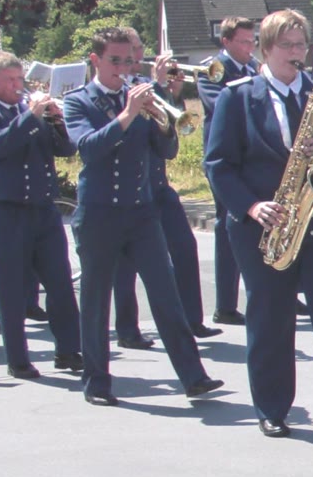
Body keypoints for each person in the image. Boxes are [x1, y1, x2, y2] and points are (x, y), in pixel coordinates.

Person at [204, 8, 313, 439]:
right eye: (286, 45)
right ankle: (272, 408)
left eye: (301, 44)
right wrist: (251, 207)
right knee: (270, 318)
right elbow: (219, 165)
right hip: (266, 225)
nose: (296, 53)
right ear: (265, 49)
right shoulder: (237, 97)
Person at [61, 28, 222, 407]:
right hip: (99, 213)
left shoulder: (140, 94)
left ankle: (193, 376)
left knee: (166, 294)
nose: (123, 68)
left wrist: (164, 120)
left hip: (141, 212)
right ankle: (97, 382)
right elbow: (88, 149)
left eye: (128, 61)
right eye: (115, 61)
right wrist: (127, 114)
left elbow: (165, 151)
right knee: (96, 301)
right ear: (95, 61)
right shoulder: (77, 101)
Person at [0, 51, 83, 379]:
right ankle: (17, 358)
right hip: (6, 212)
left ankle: (69, 349)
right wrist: (32, 115)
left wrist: (58, 121)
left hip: (43, 209)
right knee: (11, 288)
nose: (17, 86)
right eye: (9, 81)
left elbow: (65, 149)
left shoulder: (32, 113)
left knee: (60, 283)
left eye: (20, 79)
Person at [124, 36, 217, 339]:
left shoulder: (147, 85)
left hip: (159, 184)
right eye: (134, 49)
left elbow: (170, 136)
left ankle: (192, 320)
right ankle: (127, 329)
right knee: (127, 264)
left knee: (185, 247)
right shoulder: (123, 89)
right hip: (131, 189)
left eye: (140, 48)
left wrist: (172, 94)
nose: (140, 54)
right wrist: (158, 86)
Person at [198, 16, 259, 326]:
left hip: (253, 158)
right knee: (228, 225)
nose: (251, 47)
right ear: (226, 42)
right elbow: (220, 105)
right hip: (226, 159)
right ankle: (225, 305)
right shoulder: (213, 70)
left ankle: (282, 293)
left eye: (252, 41)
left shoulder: (253, 68)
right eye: (244, 42)